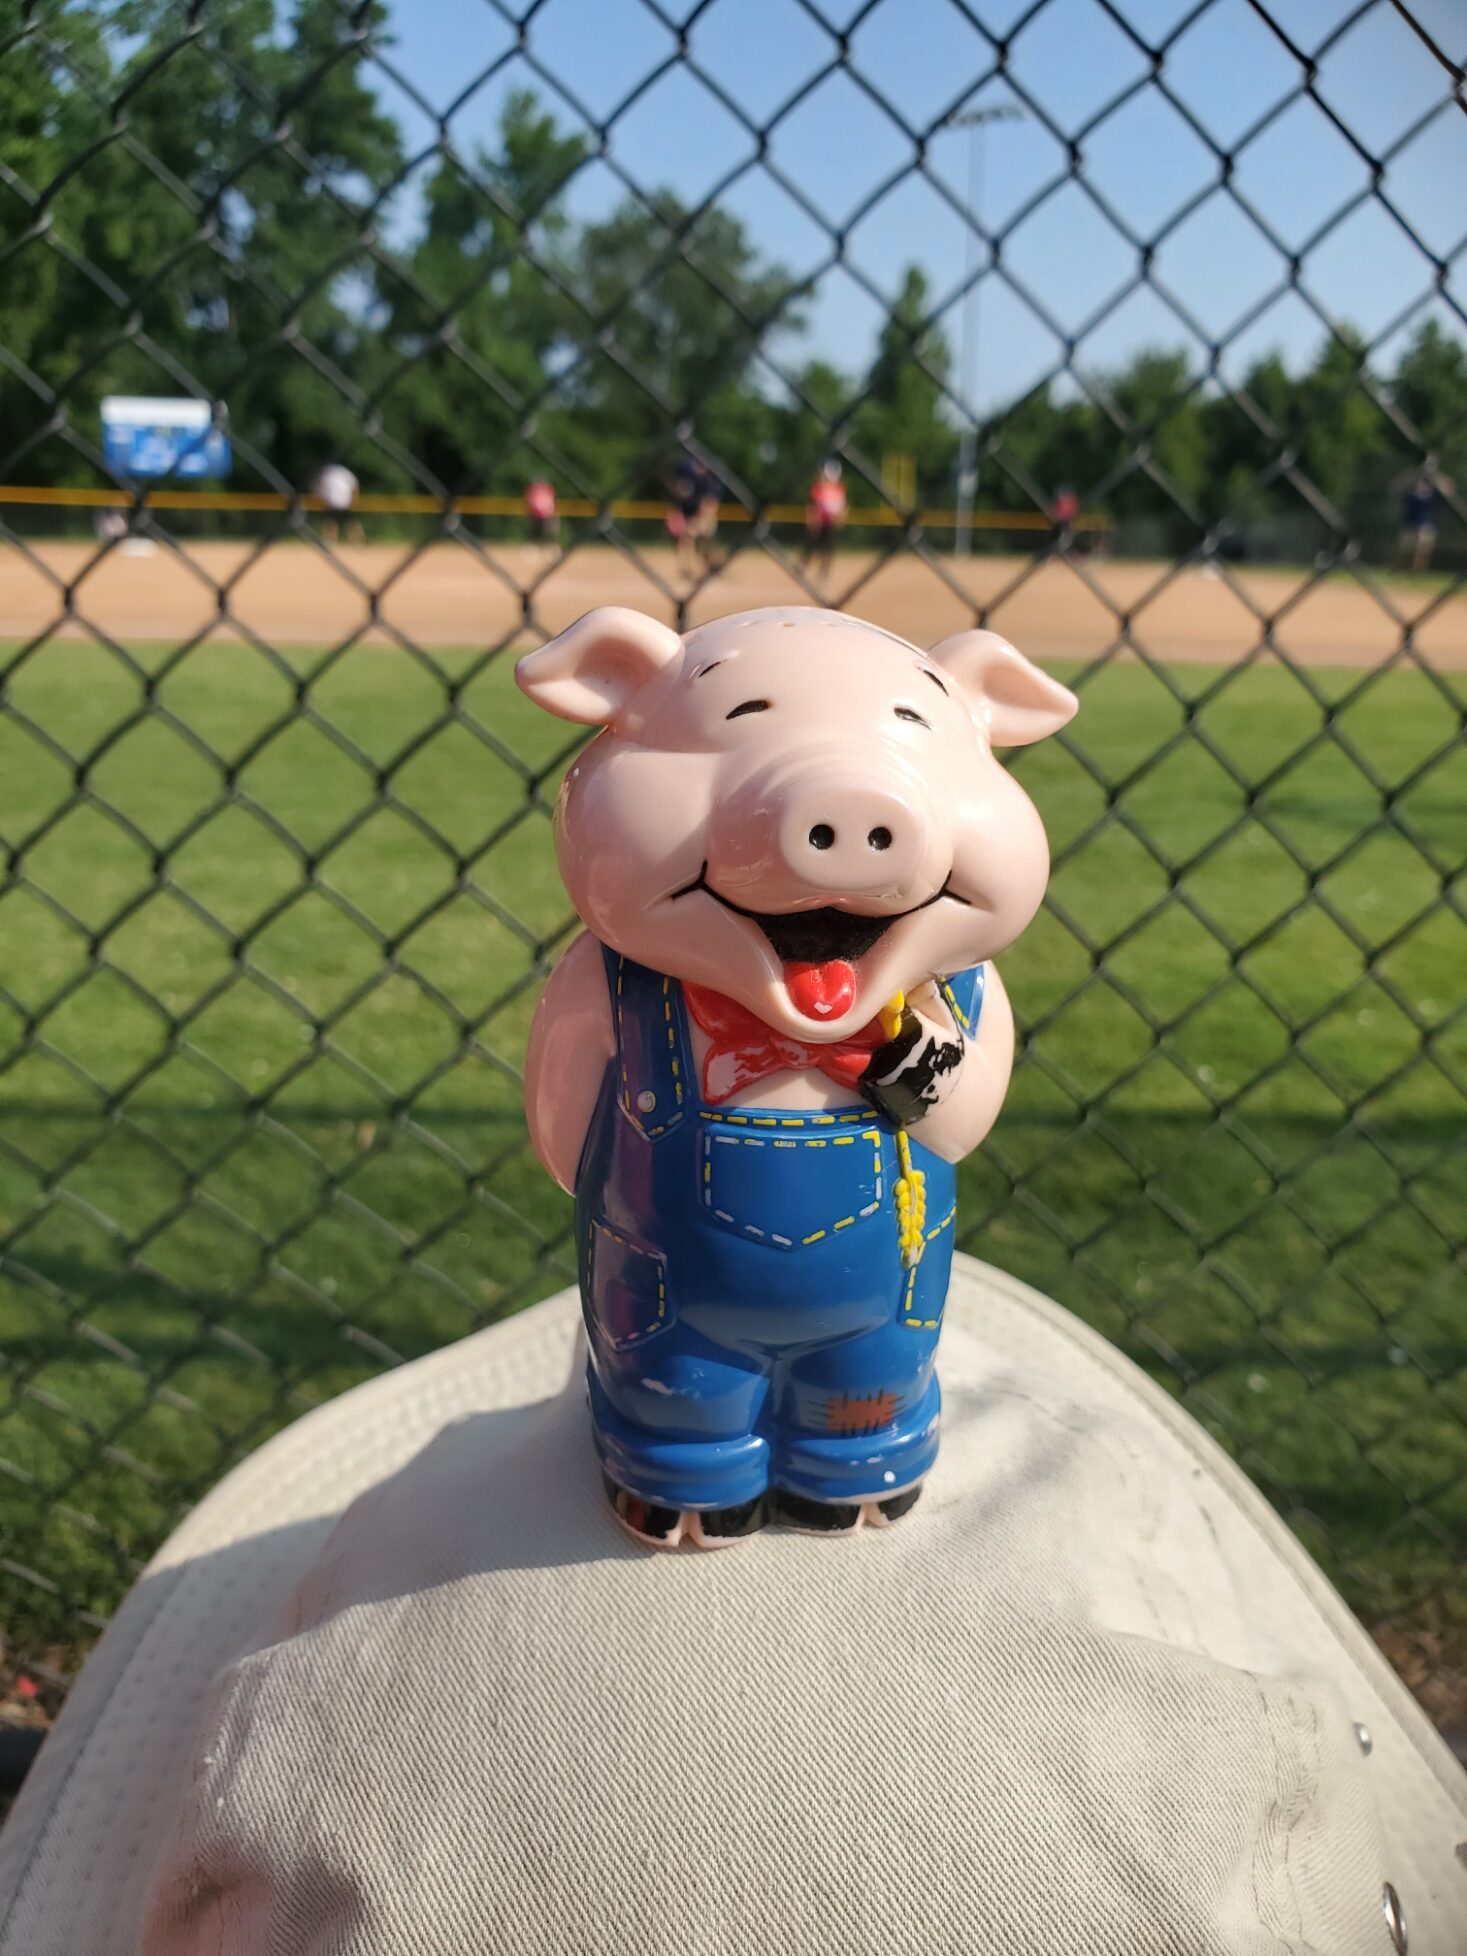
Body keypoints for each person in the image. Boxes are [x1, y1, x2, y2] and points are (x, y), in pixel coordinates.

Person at [1398, 457, 1451, 573]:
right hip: (1409, 523)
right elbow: (1397, 486)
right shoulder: (1412, 488)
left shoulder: (1434, 490)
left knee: (1422, 550)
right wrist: (1416, 471)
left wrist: (1434, 473)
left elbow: (1448, 489)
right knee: (1405, 550)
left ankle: (1417, 572)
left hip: (1427, 524)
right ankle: (1401, 570)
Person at [803, 458, 847, 578]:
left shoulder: (839, 488)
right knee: (812, 544)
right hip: (819, 522)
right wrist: (812, 520)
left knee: (828, 547)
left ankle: (824, 569)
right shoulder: (818, 488)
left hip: (832, 522)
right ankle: (805, 564)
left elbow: (842, 506)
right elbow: (812, 506)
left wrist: (841, 518)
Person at [312, 460, 363, 544]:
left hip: (335, 501)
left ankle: (330, 541)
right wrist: (354, 498)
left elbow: (318, 487)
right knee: (347, 522)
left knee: (333, 522)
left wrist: (319, 497)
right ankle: (357, 541)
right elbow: (355, 484)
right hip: (343, 501)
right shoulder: (343, 472)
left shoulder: (327, 473)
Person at [524, 477, 559, 552]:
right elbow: (530, 501)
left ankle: (551, 547)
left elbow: (551, 502)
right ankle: (534, 546)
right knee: (535, 532)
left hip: (547, 515)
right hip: (536, 515)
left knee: (549, 532)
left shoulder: (548, 490)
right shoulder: (533, 491)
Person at [1050, 484, 1079, 554]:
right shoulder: (1065, 500)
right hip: (1061, 521)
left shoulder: (1068, 500)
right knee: (1060, 538)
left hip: (1064, 521)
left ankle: (1065, 550)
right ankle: (1060, 551)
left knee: (1065, 538)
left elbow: (1073, 511)